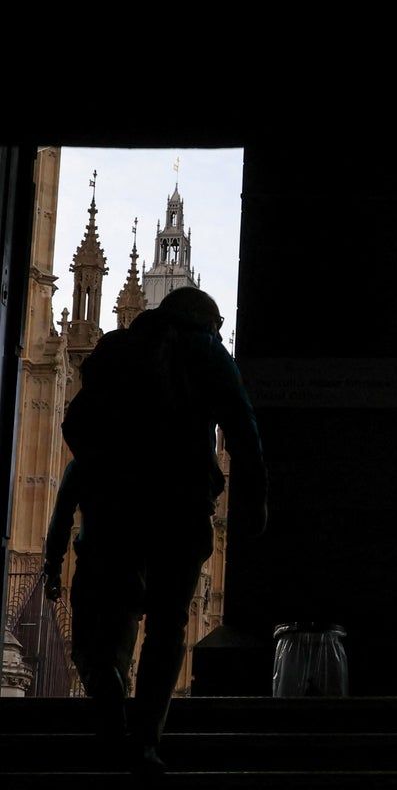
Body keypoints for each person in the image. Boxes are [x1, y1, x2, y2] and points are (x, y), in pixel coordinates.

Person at [44, 287, 266, 772]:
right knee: (167, 626)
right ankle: (145, 739)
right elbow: (244, 427)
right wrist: (257, 498)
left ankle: (110, 709)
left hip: (115, 512)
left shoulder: (117, 350)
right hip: (179, 510)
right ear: (204, 322)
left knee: (110, 624)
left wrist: (99, 481)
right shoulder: (208, 353)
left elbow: (76, 431)